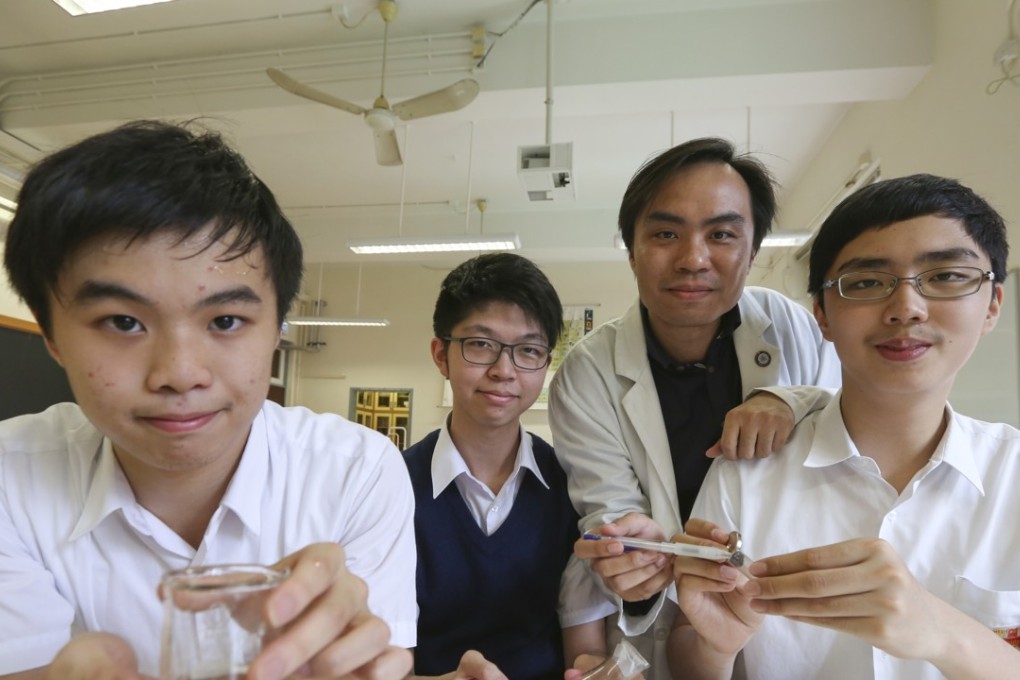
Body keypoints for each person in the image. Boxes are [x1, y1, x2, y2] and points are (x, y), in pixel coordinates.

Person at [0, 120, 416, 679]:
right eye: (122, 322)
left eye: (225, 320)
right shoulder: (9, 479)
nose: (180, 374)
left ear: (276, 330)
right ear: (51, 336)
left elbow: (386, 665)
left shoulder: (355, 472)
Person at [670, 173, 1020, 679]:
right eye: (866, 283)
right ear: (823, 317)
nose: (906, 308)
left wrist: (944, 633)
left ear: (991, 305)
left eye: (945, 276)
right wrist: (714, 649)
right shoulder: (746, 473)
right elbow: (690, 659)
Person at [550, 137, 842, 674]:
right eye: (665, 234)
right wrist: (629, 552)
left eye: (722, 234)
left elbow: (845, 430)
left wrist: (791, 400)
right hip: (667, 630)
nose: (692, 259)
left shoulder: (791, 327)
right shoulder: (586, 372)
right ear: (632, 250)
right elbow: (609, 508)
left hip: (791, 620)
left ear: (753, 251)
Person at [403, 253, 612, 680]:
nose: (504, 370)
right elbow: (381, 663)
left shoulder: (572, 487)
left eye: (529, 351)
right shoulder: (392, 485)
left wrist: (599, 672)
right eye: (481, 344)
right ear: (441, 355)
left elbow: (584, 649)